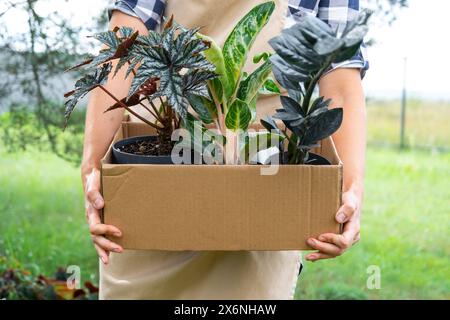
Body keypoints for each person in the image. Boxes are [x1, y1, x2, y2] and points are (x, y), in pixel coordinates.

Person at [82, 0, 369, 299]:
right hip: (158, 181)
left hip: (261, 198)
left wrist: (349, 190)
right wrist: (93, 170)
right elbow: (122, 49)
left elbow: (339, 77)